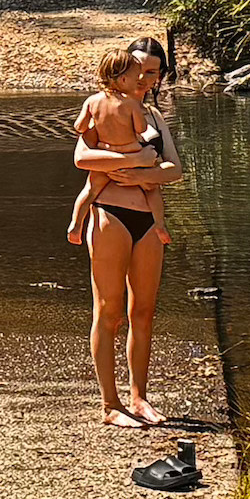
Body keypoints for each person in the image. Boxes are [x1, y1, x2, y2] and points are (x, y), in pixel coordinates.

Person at [71, 37, 183, 428]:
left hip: (147, 221)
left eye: (152, 72)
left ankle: (139, 398)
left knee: (144, 312)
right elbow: (82, 156)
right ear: (121, 70)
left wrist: (139, 174)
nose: (143, 79)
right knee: (109, 311)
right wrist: (135, 159)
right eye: (138, 69)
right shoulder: (102, 106)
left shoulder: (153, 117)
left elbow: (174, 169)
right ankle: (110, 405)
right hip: (109, 215)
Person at [67, 48, 171, 248]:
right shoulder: (130, 104)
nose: (139, 80)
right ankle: (160, 225)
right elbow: (141, 129)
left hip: (106, 157)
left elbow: (79, 126)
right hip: (131, 153)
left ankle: (76, 224)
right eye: (135, 77)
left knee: (90, 190)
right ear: (123, 80)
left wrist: (91, 127)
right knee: (152, 189)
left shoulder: (92, 101)